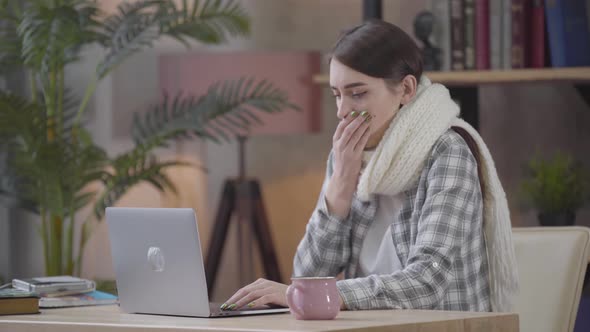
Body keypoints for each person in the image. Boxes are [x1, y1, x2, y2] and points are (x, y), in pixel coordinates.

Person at [220, 19, 519, 313]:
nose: (342, 111)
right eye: (337, 95)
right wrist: (338, 189)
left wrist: (325, 295)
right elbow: (306, 275)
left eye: (357, 93)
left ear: (406, 89)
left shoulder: (448, 152)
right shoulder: (347, 157)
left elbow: (428, 280)